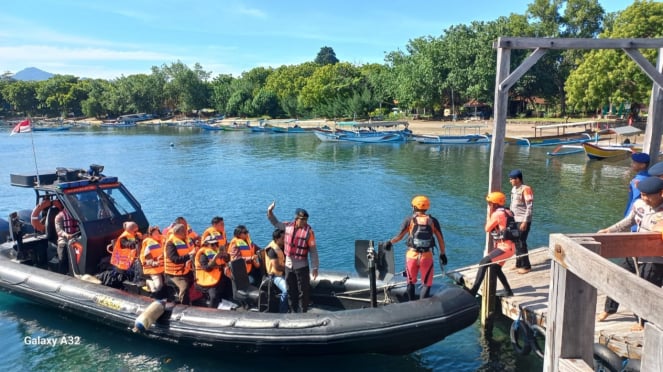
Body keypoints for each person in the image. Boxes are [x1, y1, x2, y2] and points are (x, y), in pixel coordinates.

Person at [596, 176, 663, 330]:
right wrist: (609, 230)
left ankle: (642, 321)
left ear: (661, 193)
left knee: (646, 289)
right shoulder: (639, 204)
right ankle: (609, 309)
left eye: (648, 195)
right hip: (634, 252)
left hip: (655, 258)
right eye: (642, 194)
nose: (644, 198)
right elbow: (629, 221)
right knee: (617, 277)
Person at [387, 195, 446, 300]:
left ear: (414, 207)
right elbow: (440, 239)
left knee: (410, 282)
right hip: (426, 256)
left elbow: (399, 237)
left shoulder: (409, 220)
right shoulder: (433, 221)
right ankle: (422, 306)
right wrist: (442, 254)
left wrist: (389, 242)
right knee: (427, 283)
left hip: (412, 256)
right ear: (427, 207)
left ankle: (411, 304)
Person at [267, 202, 319, 313]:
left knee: (303, 291)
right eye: (302, 219)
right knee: (290, 290)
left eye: (306, 219)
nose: (305, 222)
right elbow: (275, 223)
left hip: (301, 266)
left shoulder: (309, 232)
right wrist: (270, 212)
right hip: (289, 265)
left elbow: (313, 250)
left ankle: (302, 311)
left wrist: (315, 267)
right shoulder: (288, 226)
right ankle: (292, 311)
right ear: (296, 218)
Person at [469, 192, 515, 297]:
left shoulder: (497, 214)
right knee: (495, 267)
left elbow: (487, 228)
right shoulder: (508, 212)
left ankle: (473, 291)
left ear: (494, 204)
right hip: (510, 247)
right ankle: (508, 291)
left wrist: (489, 214)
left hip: (504, 248)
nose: (489, 205)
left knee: (483, 262)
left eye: (490, 203)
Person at [194, 236, 230, 308]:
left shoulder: (216, 252)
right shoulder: (203, 255)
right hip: (207, 280)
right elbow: (207, 268)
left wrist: (225, 255)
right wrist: (215, 258)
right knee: (214, 296)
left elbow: (225, 261)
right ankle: (211, 311)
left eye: (216, 244)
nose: (214, 246)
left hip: (218, 277)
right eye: (212, 244)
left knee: (229, 284)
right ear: (206, 244)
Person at [509, 169, 533, 274]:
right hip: (514, 219)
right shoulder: (514, 189)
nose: (510, 181)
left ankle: (526, 266)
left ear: (518, 179)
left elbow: (529, 207)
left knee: (521, 242)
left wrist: (525, 221)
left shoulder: (526, 189)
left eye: (512, 179)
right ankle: (518, 263)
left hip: (522, 220)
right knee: (516, 242)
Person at [164, 223, 195, 304]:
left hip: (187, 269)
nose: (186, 233)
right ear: (177, 233)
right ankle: (184, 305)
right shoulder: (170, 244)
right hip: (175, 273)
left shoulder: (186, 240)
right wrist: (190, 255)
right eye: (183, 232)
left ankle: (197, 300)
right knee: (184, 287)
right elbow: (175, 259)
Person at [264, 228, 288, 313]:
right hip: (275, 276)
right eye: (283, 238)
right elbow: (277, 267)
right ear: (277, 239)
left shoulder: (283, 246)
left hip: (284, 272)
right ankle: (282, 311)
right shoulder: (271, 250)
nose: (285, 239)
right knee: (286, 289)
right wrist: (289, 269)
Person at [624, 153, 650, 232]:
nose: (632, 164)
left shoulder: (639, 180)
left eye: (634, 162)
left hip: (634, 219)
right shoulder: (648, 177)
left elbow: (635, 200)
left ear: (642, 165)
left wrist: (628, 217)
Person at [53, 200, 79, 274]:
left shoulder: (76, 215)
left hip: (75, 239)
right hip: (64, 240)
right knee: (63, 259)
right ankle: (62, 273)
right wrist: (66, 235)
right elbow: (59, 230)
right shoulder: (59, 216)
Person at [139, 225, 164, 295]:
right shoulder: (150, 244)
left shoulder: (161, 241)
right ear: (151, 235)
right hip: (153, 268)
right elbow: (147, 258)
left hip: (162, 267)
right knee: (159, 285)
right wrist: (154, 263)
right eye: (155, 233)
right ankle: (150, 285)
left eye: (158, 233)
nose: (158, 235)